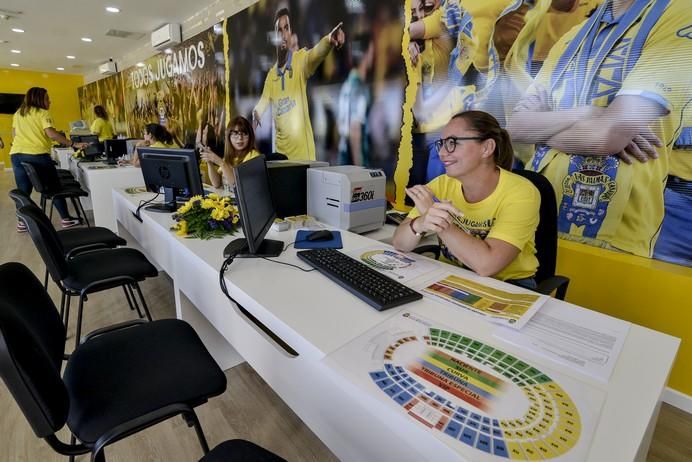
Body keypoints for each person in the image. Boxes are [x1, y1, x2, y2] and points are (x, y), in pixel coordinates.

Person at [507, 0, 691, 259]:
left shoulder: (681, 15)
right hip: (540, 214)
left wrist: (545, 125)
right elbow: (516, 127)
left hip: (621, 229)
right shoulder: (573, 35)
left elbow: (605, 136)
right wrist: (587, 114)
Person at [393, 111, 540, 288]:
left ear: (486, 148)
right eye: (441, 143)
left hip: (508, 286)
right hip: (452, 277)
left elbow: (487, 266)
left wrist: (441, 223)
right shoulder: (442, 184)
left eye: (452, 143)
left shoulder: (521, 193)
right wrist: (420, 223)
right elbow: (399, 243)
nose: (441, 153)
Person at [252, 7, 345, 161]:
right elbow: (260, 107)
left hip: (304, 161)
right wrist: (252, 128)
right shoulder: (271, 76)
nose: (283, 34)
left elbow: (316, 53)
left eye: (286, 28)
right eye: (279, 30)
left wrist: (329, 40)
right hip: (281, 163)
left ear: (290, 32)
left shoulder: (300, 60)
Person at [10, 87, 87, 232]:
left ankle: (22, 222)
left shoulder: (18, 113)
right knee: (53, 187)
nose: (49, 101)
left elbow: (14, 134)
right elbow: (51, 134)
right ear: (39, 99)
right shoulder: (43, 113)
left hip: (16, 154)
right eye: (46, 98)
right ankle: (66, 219)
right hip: (36, 155)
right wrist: (73, 144)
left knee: (23, 190)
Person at [337, 34, 374, 166]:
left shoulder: (347, 84)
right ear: (365, 54)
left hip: (343, 157)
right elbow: (355, 128)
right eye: (371, 51)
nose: (372, 55)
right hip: (353, 160)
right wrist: (360, 170)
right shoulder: (359, 87)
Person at [200, 116, 260, 189]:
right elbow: (216, 183)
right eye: (235, 134)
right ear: (229, 137)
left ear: (250, 137)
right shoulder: (230, 156)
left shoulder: (254, 156)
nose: (240, 138)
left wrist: (221, 162)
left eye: (244, 134)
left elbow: (237, 186)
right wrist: (209, 162)